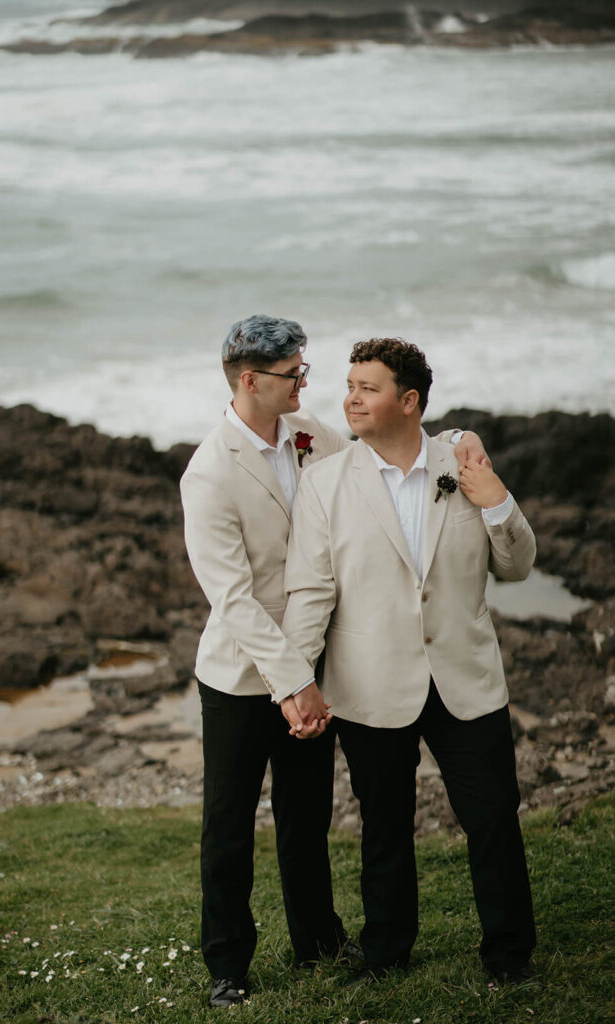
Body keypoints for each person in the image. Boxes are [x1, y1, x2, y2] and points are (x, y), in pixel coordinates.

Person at [180, 317, 486, 1007]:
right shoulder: (207, 474)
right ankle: (227, 963)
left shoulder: (310, 432)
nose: (306, 382)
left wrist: (460, 442)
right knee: (228, 824)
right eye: (292, 372)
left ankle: (316, 936)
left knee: (306, 814)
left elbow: (389, 459)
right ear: (249, 380)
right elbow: (232, 599)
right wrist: (289, 683)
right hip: (241, 674)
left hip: (315, 663)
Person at [281, 337, 537, 988]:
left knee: (491, 821)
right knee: (383, 829)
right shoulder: (324, 483)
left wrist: (496, 500)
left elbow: (515, 566)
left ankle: (509, 959)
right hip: (368, 685)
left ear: (408, 400)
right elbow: (310, 592)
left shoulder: (463, 461)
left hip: (466, 679)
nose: (350, 399)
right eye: (348, 386)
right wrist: (294, 681)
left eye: (367, 387)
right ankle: (386, 952)